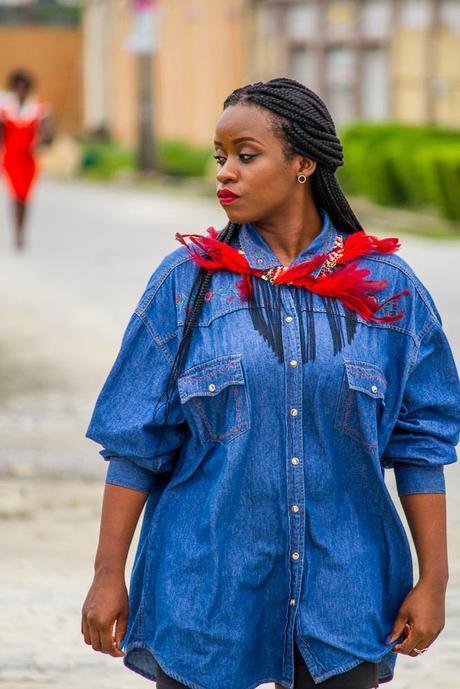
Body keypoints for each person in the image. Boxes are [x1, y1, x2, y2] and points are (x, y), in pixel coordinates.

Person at [81, 78, 460, 689]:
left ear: (304, 163)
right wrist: (107, 575)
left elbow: (421, 449)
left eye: (246, 155)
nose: (225, 173)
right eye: (219, 156)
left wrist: (433, 582)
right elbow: (134, 446)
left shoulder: (391, 292)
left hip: (345, 596)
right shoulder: (186, 286)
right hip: (205, 595)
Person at [0, 69, 52, 251]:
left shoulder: (38, 107)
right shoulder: (5, 107)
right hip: (11, 158)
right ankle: (17, 232)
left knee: (25, 196)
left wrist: (41, 139)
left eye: (25, 87)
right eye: (18, 87)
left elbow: (46, 132)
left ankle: (22, 229)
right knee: (15, 195)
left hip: (29, 160)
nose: (22, 90)